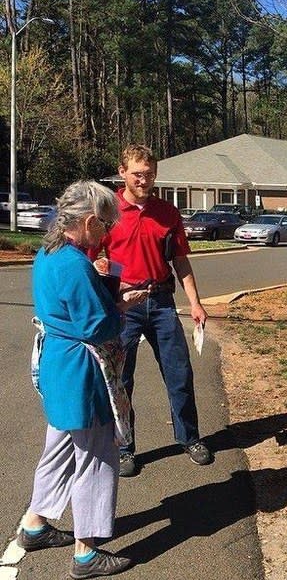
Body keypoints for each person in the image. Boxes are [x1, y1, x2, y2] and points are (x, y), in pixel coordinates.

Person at [18, 180, 148, 579]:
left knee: (58, 446)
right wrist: (122, 303)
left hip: (58, 363)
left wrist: (102, 286)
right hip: (81, 368)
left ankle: (35, 525)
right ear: (89, 221)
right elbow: (99, 326)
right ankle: (86, 551)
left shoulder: (50, 252)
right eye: (106, 225)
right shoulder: (75, 265)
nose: (108, 233)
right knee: (95, 455)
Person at [95, 144, 212, 477]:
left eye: (148, 174)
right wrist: (104, 279)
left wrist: (195, 302)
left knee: (179, 373)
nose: (143, 180)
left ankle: (189, 438)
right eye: (137, 174)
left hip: (160, 302)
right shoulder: (108, 210)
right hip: (123, 306)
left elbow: (180, 261)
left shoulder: (167, 212)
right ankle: (125, 448)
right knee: (121, 379)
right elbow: (92, 257)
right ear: (123, 172)